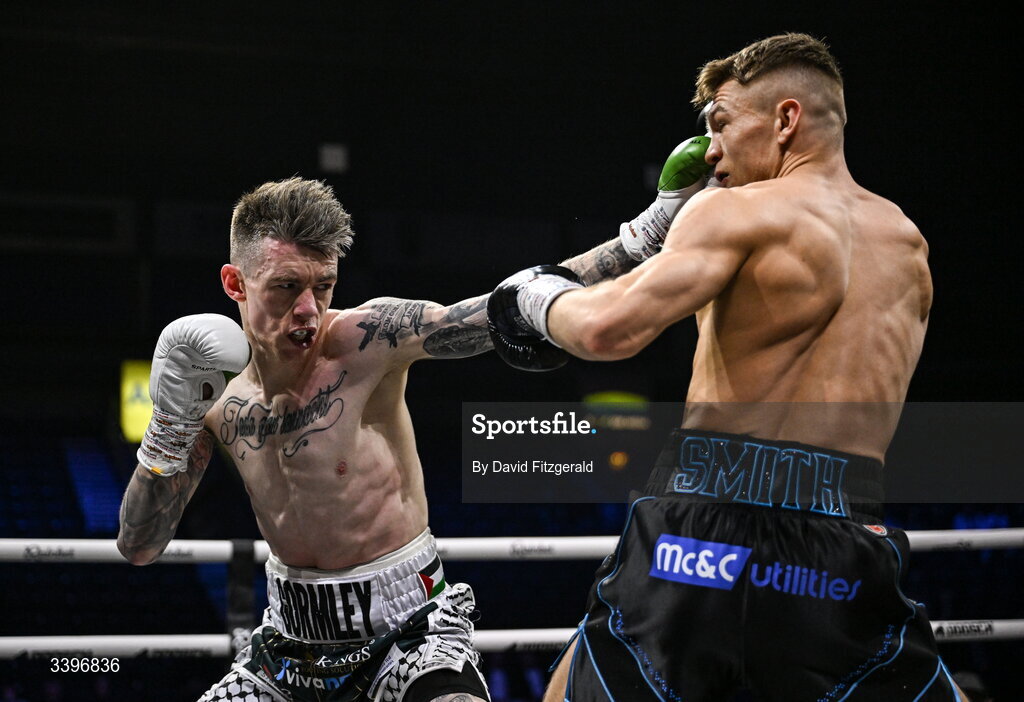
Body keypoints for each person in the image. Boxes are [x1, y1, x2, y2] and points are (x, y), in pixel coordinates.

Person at [116, 163, 711, 702]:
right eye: (286, 287)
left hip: (408, 629)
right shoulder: (211, 392)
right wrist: (167, 431)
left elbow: (496, 311)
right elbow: (139, 546)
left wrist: (650, 230)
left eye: (322, 286)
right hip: (289, 642)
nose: (309, 310)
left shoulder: (364, 339)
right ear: (235, 284)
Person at [490, 33, 965, 701]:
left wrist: (534, 298)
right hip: (844, 543)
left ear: (786, 119)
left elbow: (606, 329)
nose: (709, 151)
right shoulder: (909, 245)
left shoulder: (736, 211)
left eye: (720, 123)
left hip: (704, 530)